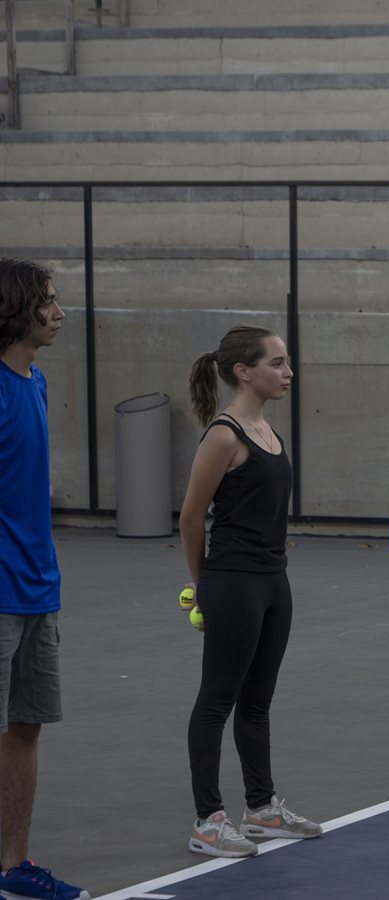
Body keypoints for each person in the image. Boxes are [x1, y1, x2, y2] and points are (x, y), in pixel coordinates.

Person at [179, 325, 322, 858]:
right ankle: (207, 821)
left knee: (257, 701)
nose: (288, 373)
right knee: (217, 701)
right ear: (243, 371)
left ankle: (260, 809)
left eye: (286, 362)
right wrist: (203, 586)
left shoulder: (267, 431)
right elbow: (191, 518)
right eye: (277, 363)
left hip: (273, 582)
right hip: (232, 583)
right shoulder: (224, 435)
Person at [0, 260, 90, 900]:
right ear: (15, 309)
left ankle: (13, 866)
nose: (59, 313)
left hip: (38, 588)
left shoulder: (34, 380)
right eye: (47, 302)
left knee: (24, 727)